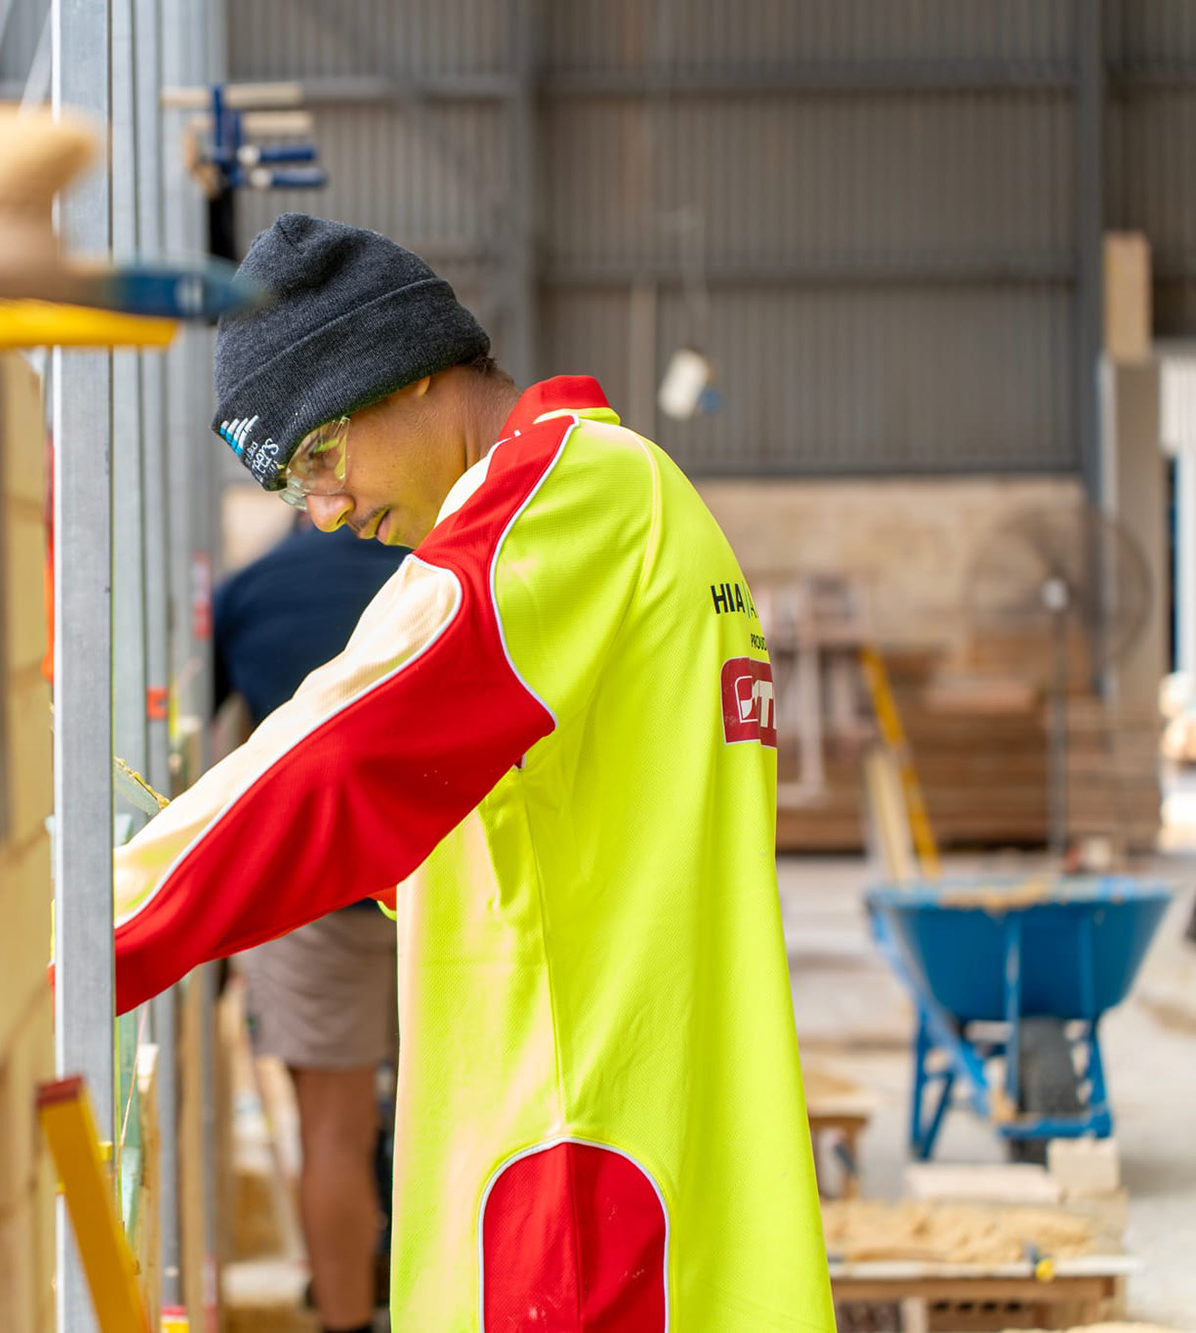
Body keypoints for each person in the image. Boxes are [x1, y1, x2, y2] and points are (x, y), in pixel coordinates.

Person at [111, 214, 833, 1330]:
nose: (325, 511)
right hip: (643, 1148)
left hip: (575, 1187)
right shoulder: (637, 496)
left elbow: (337, 751)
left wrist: (81, 940)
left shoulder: (546, 516)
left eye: (317, 456)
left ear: (405, 377)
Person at [213, 519, 407, 1333]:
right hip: (448, 883)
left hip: (316, 893)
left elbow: (225, 743)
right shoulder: (432, 573)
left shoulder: (252, 591)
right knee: (455, 1104)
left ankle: (346, 1318)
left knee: (333, 1129)